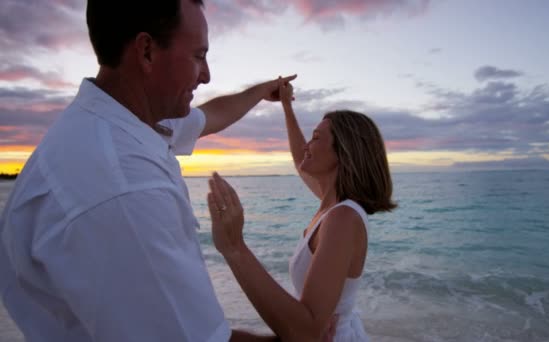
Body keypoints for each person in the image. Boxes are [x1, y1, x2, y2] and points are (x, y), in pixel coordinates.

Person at [0, 0, 295, 340]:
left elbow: (212, 115)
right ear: (146, 52)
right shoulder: (122, 188)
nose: (207, 74)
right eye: (199, 56)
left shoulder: (125, 122)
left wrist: (263, 90)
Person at [207, 80, 396, 341]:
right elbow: (300, 158)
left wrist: (234, 245)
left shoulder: (343, 218)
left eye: (316, 138)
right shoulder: (332, 206)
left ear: (343, 152)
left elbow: (306, 332)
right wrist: (286, 106)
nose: (308, 144)